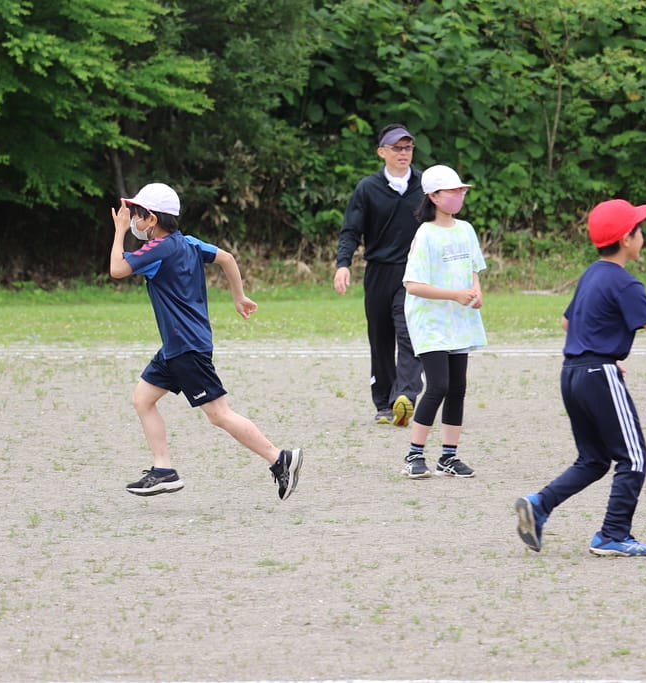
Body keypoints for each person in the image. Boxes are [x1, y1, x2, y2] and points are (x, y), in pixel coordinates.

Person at [515, 199, 646, 557]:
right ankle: (612, 534)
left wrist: (597, 351)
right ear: (626, 239)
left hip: (572, 372)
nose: (642, 235)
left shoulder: (592, 274)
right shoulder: (625, 283)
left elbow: (567, 322)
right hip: (598, 373)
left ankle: (539, 504)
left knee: (594, 460)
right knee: (635, 458)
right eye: (639, 229)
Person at [108, 182, 303, 500]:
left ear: (153, 219)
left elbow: (117, 269)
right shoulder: (188, 243)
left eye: (138, 214)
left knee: (218, 413)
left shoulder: (158, 249)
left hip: (186, 346)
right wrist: (238, 296)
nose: (134, 221)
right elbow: (227, 258)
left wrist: (119, 232)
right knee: (143, 399)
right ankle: (163, 470)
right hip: (178, 346)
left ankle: (279, 458)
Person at [334, 123, 424, 427]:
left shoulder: (425, 186)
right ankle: (385, 403)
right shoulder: (367, 188)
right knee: (381, 338)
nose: (403, 153)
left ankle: (405, 396)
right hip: (378, 272)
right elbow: (351, 230)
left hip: (414, 273)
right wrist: (343, 264)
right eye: (397, 148)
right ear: (381, 152)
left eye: (408, 147)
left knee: (409, 333)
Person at [399, 165, 486, 479]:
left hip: (459, 320)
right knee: (438, 385)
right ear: (434, 196)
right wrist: (454, 295)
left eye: (461, 190)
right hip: (430, 322)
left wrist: (476, 291)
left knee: (457, 388)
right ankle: (414, 455)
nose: (459, 195)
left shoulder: (466, 230)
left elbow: (473, 269)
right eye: (452, 191)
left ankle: (449, 456)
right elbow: (413, 285)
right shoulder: (425, 234)